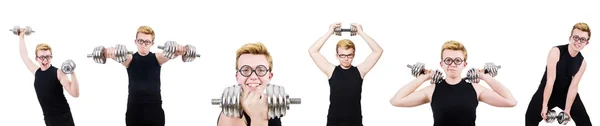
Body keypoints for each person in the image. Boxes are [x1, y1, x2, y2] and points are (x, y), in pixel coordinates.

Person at [390, 40, 517, 126]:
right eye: (448, 60)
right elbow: (396, 100)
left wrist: (485, 77)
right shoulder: (432, 90)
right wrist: (424, 77)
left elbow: (511, 101)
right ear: (441, 64)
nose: (452, 64)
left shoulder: (476, 89)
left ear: (464, 64)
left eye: (457, 60)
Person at [101, 26, 187, 126]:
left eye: (147, 42)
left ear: (152, 44)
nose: (143, 45)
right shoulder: (130, 59)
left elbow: (171, 54)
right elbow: (119, 56)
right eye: (140, 41)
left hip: (155, 112)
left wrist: (181, 50)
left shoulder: (157, 58)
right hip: (134, 112)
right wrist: (109, 53)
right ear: (135, 42)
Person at [308, 22, 383, 126]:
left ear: (354, 55)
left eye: (349, 55)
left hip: (355, 122)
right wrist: (329, 32)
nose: (346, 59)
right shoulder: (331, 71)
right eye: (342, 55)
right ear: (337, 56)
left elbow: (378, 51)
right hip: (334, 122)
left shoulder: (360, 71)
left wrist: (361, 33)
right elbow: (313, 51)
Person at [524, 22, 593, 126]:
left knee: (584, 121)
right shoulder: (556, 52)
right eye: (576, 37)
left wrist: (567, 109)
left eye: (583, 39)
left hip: (566, 93)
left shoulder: (582, 63)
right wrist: (545, 104)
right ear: (570, 38)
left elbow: (573, 87)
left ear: (586, 43)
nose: (578, 42)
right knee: (530, 116)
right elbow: (550, 81)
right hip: (547, 90)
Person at [18, 28, 80, 126]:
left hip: (63, 117)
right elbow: (23, 55)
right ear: (37, 59)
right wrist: (21, 36)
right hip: (48, 118)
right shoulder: (36, 71)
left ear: (51, 57)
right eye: (42, 57)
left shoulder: (59, 73)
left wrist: (72, 73)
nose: (45, 60)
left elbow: (75, 93)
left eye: (48, 57)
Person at [217, 42, 282, 126]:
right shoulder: (231, 115)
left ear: (269, 76)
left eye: (261, 70)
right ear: (237, 77)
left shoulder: (272, 109)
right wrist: (258, 118)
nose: (253, 76)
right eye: (246, 70)